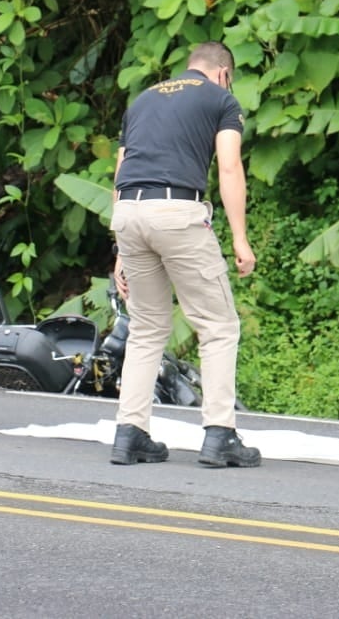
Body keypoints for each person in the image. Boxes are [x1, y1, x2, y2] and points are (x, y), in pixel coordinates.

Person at [108, 41, 261, 467]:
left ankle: (130, 433)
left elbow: (121, 172)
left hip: (128, 213)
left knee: (146, 327)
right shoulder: (221, 99)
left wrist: (119, 249)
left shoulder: (142, 100)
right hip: (177, 211)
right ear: (223, 73)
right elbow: (229, 166)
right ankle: (220, 435)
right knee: (217, 324)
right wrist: (240, 238)